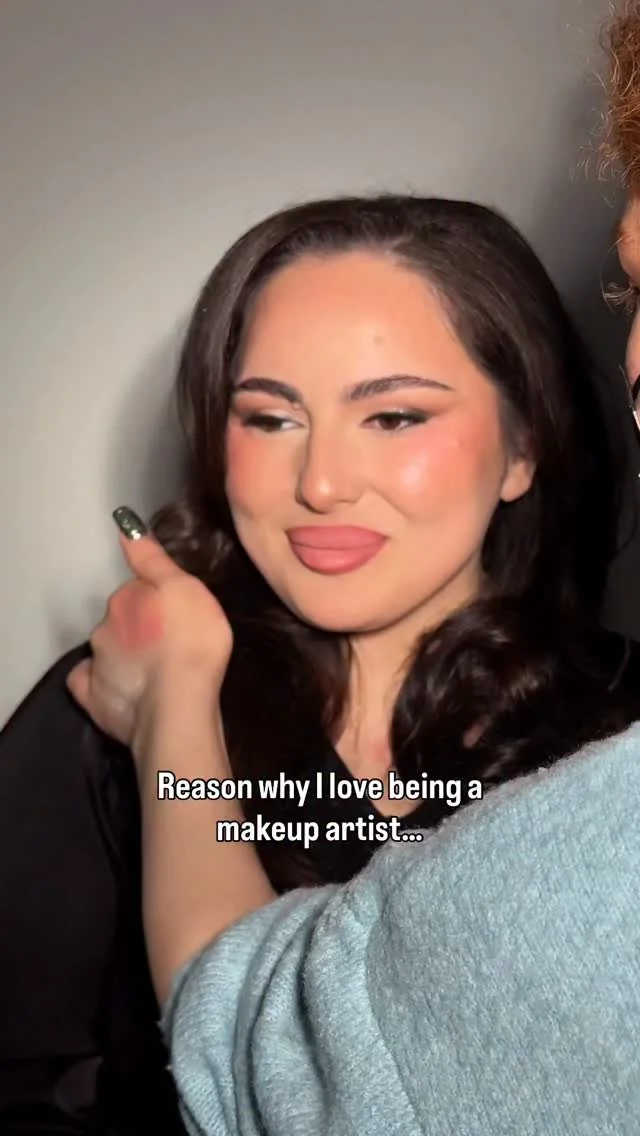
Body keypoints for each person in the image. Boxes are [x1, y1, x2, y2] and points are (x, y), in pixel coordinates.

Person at [3, 186, 640, 1136]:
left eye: (394, 417)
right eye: (270, 419)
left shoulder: (621, 731)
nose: (321, 484)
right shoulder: (102, 710)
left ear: (522, 447)